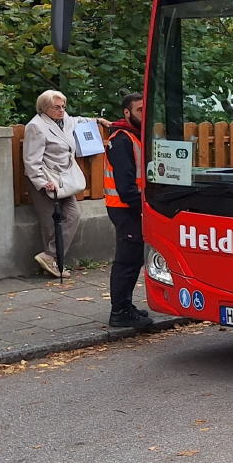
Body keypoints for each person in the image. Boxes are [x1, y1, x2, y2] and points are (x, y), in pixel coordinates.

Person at [22, 90, 108, 277]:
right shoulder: (36, 127)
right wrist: (43, 182)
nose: (61, 110)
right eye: (57, 107)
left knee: (73, 215)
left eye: (63, 106)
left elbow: (78, 120)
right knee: (50, 223)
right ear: (44, 109)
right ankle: (54, 263)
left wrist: (97, 121)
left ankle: (49, 256)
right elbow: (31, 160)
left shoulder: (65, 120)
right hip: (46, 179)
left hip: (64, 179)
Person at [103, 92, 152, 328]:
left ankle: (125, 305)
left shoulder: (136, 136)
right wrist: (142, 208)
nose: (144, 114)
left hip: (131, 207)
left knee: (132, 260)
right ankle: (119, 312)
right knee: (126, 261)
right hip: (126, 207)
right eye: (139, 110)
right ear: (127, 112)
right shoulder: (122, 139)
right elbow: (126, 185)